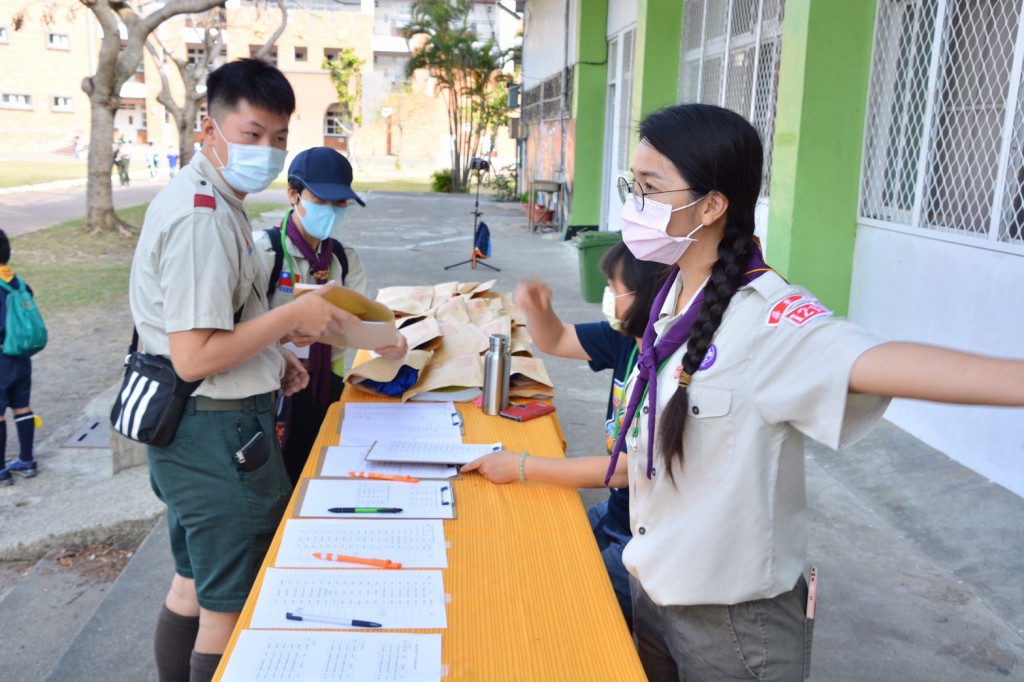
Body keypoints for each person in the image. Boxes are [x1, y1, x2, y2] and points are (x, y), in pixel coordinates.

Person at [464, 103, 1024, 681]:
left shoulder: (768, 317)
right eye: (632, 184)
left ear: (710, 205)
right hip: (653, 581)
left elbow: (875, 362)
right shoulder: (671, 295)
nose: (633, 204)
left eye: (650, 188)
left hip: (732, 621)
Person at [129, 59, 358, 682]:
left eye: (279, 138)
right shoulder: (204, 216)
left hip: (194, 431)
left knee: (193, 582)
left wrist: (268, 353)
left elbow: (221, 322)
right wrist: (292, 320)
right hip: (216, 434)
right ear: (209, 128)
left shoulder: (215, 198)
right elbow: (196, 353)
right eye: (252, 134)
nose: (267, 150)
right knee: (227, 609)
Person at [497, 241, 668, 627]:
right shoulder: (624, 338)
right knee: (537, 542)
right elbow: (555, 339)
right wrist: (538, 310)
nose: (607, 296)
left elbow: (624, 469)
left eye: (614, 287)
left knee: (554, 598)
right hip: (617, 511)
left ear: (649, 296)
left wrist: (522, 466)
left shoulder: (672, 366)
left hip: (644, 542)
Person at [253, 147, 407, 484]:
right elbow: (242, 330)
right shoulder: (265, 254)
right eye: (323, 201)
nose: (333, 212)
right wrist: (285, 334)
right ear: (293, 195)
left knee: (322, 472)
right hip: (274, 391)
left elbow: (365, 321)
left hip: (328, 387)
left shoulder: (343, 258)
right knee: (278, 479)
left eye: (341, 204)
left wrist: (390, 341)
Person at [0, 229, 39, 484]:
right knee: (22, 406)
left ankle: (1, 469)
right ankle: (27, 460)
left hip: (1, 357)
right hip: (21, 356)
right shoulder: (17, 280)